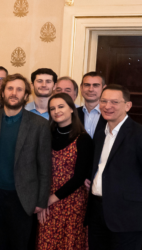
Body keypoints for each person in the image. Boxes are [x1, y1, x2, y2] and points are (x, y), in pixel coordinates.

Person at [86, 84, 142, 249]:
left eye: (114, 102)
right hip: (97, 213)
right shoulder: (100, 134)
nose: (108, 106)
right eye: (104, 101)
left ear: (127, 106)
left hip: (128, 217)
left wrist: (138, 202)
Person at [0, 74, 52, 250]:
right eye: (10, 89)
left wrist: (41, 200)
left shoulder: (39, 124)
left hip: (23, 198)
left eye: (19, 89)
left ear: (26, 95)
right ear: (3, 93)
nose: (14, 93)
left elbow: (44, 166)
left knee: (19, 244)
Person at [36, 93, 92, 250]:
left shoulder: (83, 139)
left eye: (61, 106)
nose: (56, 111)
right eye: (52, 108)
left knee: (69, 243)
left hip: (72, 202)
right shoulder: (46, 135)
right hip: (47, 197)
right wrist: (43, 199)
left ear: (72, 109)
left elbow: (80, 176)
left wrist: (51, 199)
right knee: (47, 242)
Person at [77, 72, 107, 138]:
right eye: (87, 85)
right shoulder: (73, 113)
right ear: (81, 88)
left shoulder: (111, 114)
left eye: (96, 85)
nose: (90, 89)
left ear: (104, 88)